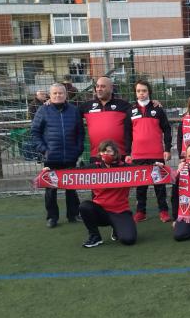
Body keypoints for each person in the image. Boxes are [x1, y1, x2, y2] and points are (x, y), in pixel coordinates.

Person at [31, 83, 84, 228]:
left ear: (65, 94)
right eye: (54, 93)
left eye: (60, 93)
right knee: (50, 189)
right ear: (50, 95)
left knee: (71, 187)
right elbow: (35, 132)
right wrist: (44, 150)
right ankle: (52, 217)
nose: (57, 95)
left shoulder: (74, 110)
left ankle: (73, 214)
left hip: (70, 157)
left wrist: (78, 149)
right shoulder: (43, 110)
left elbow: (80, 132)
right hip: (51, 158)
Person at [126, 79, 172, 223]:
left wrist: (168, 149)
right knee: (141, 186)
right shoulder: (131, 110)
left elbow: (167, 130)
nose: (141, 93)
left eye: (144, 91)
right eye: (138, 91)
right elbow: (127, 134)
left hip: (157, 153)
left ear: (149, 92)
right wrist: (128, 153)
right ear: (135, 93)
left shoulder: (158, 109)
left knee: (159, 185)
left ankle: (164, 211)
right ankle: (141, 212)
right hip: (138, 155)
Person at [78, 140, 137, 248]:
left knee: (129, 239)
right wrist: (51, 171)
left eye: (109, 151)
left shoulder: (126, 167)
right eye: (103, 151)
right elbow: (72, 172)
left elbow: (143, 169)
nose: (105, 154)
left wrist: (156, 165)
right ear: (99, 153)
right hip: (101, 211)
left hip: (120, 211)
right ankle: (95, 236)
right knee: (84, 206)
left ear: (115, 153)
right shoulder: (94, 167)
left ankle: (117, 227)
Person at [79, 76, 131, 162]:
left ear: (111, 88)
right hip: (96, 155)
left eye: (103, 86)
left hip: (119, 155)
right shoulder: (87, 106)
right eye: (97, 86)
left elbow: (140, 111)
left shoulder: (123, 105)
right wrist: (52, 103)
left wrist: (152, 104)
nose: (99, 89)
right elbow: (70, 113)